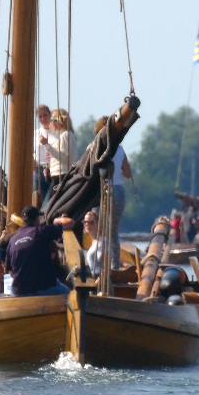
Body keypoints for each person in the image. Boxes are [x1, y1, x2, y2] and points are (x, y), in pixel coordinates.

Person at [5, 206, 75, 296]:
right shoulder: (41, 231)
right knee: (68, 294)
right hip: (44, 288)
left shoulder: (12, 240)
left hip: (19, 292)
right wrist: (56, 221)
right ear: (37, 219)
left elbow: (11, 273)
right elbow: (70, 222)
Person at [96, 116, 132, 269]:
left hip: (102, 191)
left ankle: (99, 263)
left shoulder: (94, 147)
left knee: (100, 231)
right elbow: (128, 173)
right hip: (118, 191)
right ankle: (114, 265)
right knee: (113, 232)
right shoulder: (120, 149)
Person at [42, 108, 77, 197]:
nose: (52, 122)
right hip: (59, 175)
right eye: (51, 120)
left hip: (62, 176)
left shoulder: (66, 135)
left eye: (55, 119)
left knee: (52, 206)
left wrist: (47, 145)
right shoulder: (65, 135)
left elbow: (64, 157)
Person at [34, 104, 53, 205]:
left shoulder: (57, 132)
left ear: (50, 115)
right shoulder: (36, 133)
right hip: (39, 170)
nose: (43, 118)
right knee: (38, 200)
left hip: (54, 170)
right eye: (40, 116)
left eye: (45, 115)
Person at [83, 209, 104, 277]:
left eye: (91, 222)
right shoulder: (93, 242)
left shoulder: (102, 242)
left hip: (98, 279)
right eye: (85, 222)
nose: (87, 224)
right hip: (91, 276)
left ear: (98, 224)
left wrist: (96, 283)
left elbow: (106, 270)